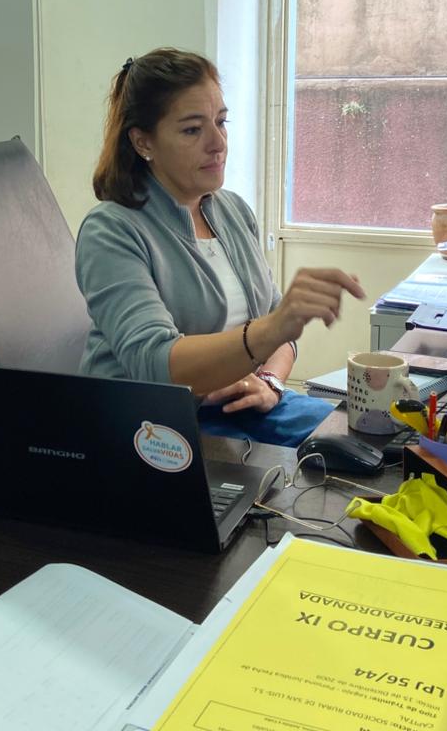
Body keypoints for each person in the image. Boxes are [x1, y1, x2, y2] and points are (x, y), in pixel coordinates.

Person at [75, 47, 366, 447]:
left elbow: (279, 332)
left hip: (243, 412)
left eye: (221, 122)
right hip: (154, 428)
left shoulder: (233, 211)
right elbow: (156, 364)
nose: (218, 143)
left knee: (375, 441)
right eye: (192, 130)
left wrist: (270, 382)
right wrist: (270, 329)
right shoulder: (111, 231)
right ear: (143, 142)